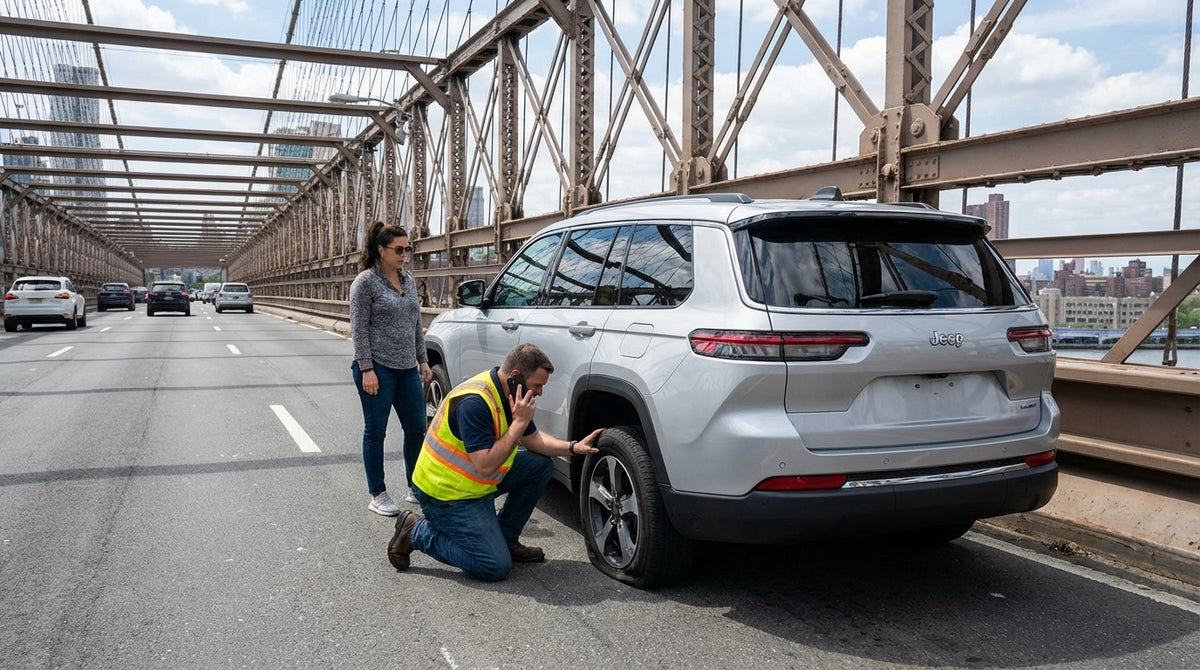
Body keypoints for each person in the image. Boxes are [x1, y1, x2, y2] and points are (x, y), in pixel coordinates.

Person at [387, 343, 603, 581]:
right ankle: (415, 531)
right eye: (537, 385)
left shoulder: (510, 395)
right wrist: (519, 423)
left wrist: (574, 447)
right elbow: (486, 465)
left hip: (476, 483)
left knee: (540, 466)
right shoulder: (474, 403)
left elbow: (534, 440)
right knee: (494, 566)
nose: (540, 392)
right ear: (515, 377)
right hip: (445, 494)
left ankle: (506, 539)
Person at [350, 221, 433, 517]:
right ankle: (378, 493)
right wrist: (366, 369)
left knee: (416, 428)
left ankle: (415, 487)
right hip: (378, 369)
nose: (404, 254)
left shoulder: (408, 280)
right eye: (398, 249)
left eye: (407, 249)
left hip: (407, 368)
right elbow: (358, 329)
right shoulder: (365, 283)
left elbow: (415, 325)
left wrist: (423, 361)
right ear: (381, 250)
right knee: (376, 431)